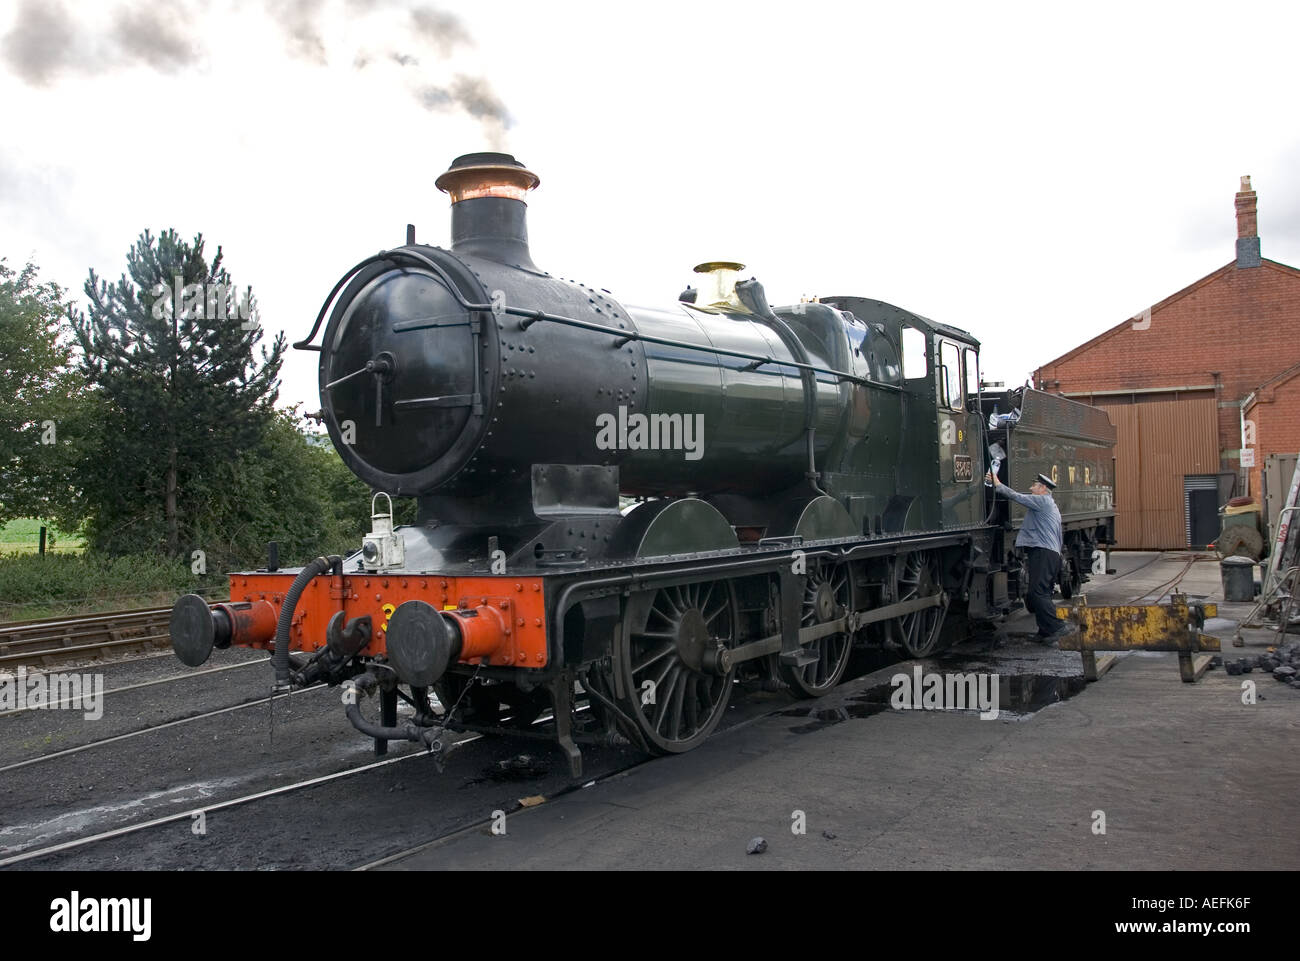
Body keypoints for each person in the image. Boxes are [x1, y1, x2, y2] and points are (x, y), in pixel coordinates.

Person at [986, 470, 1074, 644]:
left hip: (1044, 552)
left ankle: (1057, 627)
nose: (1031, 487)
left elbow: (1017, 497)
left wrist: (997, 484)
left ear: (1042, 489)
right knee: (1044, 592)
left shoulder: (1042, 501)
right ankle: (1044, 631)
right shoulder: (1048, 503)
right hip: (1048, 552)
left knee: (1037, 592)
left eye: (1034, 485)